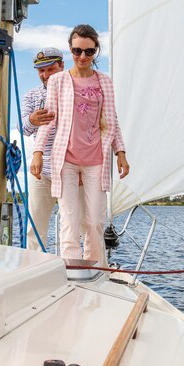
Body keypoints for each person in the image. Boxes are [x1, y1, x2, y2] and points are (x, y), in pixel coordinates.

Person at [31, 24, 130, 264]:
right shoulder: (58, 82)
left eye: (88, 52)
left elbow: (111, 119)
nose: (83, 57)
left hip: (97, 158)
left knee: (94, 221)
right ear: (70, 51)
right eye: (77, 51)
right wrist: (37, 152)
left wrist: (121, 151)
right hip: (66, 159)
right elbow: (49, 119)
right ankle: (72, 270)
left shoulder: (104, 82)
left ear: (96, 51)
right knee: (69, 219)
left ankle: (97, 268)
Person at [21, 47, 64, 250]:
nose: (45, 75)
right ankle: (34, 269)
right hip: (42, 171)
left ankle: (91, 269)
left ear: (61, 66)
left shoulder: (74, 92)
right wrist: (32, 119)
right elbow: (23, 129)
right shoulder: (31, 96)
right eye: (41, 71)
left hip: (71, 168)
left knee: (80, 225)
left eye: (50, 69)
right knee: (35, 227)